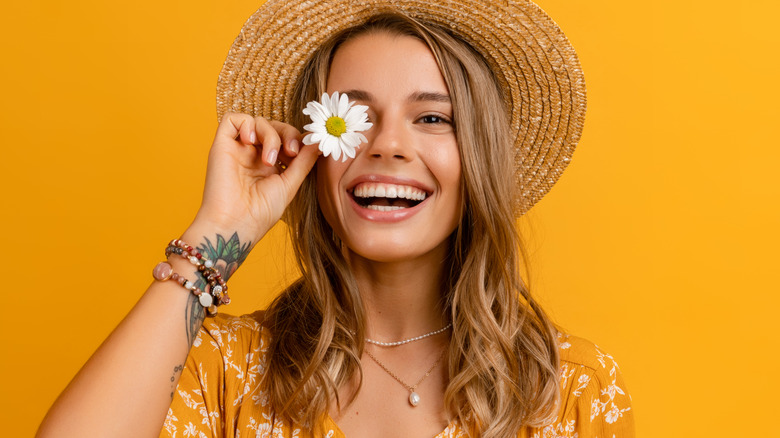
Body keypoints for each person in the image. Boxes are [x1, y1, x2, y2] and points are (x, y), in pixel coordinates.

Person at [37, 0, 634, 437]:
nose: (387, 146)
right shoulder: (218, 368)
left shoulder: (573, 391)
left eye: (432, 119)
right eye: (353, 118)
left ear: (479, 157)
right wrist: (220, 229)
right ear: (313, 150)